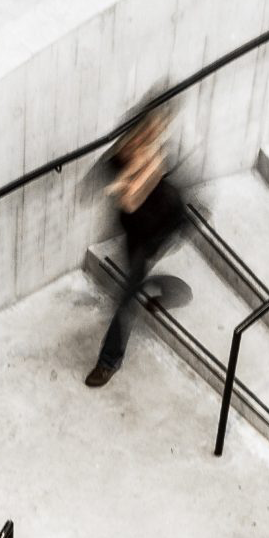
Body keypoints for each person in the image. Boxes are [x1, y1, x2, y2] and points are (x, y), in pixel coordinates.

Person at [86, 105, 189, 389]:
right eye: (135, 140)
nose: (138, 145)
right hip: (140, 235)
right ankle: (164, 291)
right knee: (133, 284)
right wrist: (125, 176)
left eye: (145, 139)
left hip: (164, 224)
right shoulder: (120, 159)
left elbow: (130, 200)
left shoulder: (154, 159)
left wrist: (136, 176)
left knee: (128, 294)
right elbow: (100, 183)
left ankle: (108, 362)